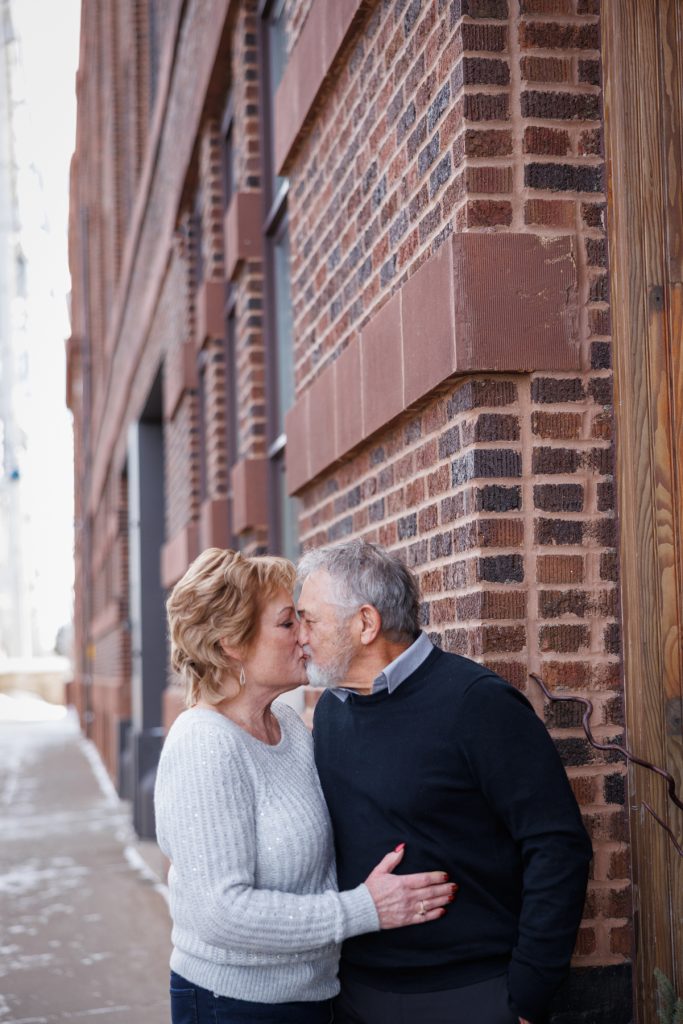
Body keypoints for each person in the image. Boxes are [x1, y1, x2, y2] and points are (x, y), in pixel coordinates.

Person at [153, 547, 455, 1024]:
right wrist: (364, 909)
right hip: (233, 1004)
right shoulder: (204, 744)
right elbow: (222, 912)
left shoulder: (290, 727)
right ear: (233, 643)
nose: (304, 636)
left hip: (314, 995)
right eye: (287, 623)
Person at [297, 539, 593, 1024]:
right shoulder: (332, 711)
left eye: (309, 619)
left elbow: (557, 845)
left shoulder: (477, 703)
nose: (300, 635)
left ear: (366, 624)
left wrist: (528, 992)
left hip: (471, 994)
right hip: (354, 993)